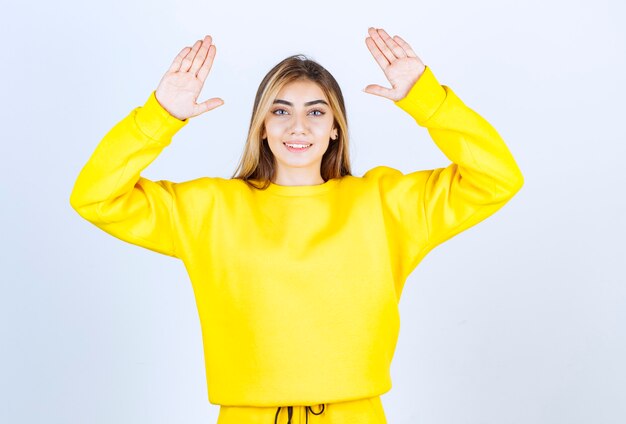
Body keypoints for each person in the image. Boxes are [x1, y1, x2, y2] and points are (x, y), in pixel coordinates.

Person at [69, 28, 524, 424]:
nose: (298, 126)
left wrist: (426, 99)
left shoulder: (385, 205)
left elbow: (497, 178)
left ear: (335, 129)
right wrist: (160, 115)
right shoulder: (211, 209)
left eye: (316, 111)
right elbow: (95, 196)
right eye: (281, 111)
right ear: (261, 126)